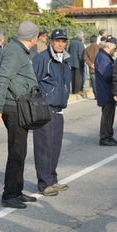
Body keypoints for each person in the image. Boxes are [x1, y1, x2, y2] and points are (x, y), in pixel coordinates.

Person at [0, 21, 40, 209]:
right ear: (33, 38)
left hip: (21, 106)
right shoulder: (14, 50)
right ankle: (9, 194)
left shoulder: (18, 49)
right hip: (13, 107)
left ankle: (17, 192)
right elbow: (2, 78)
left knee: (20, 151)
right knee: (16, 152)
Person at [31, 29, 71, 196]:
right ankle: (43, 184)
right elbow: (32, 82)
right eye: (57, 40)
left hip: (59, 109)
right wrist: (38, 104)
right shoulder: (42, 59)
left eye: (63, 41)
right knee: (43, 147)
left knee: (55, 146)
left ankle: (52, 180)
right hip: (45, 109)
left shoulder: (66, 59)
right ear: (51, 42)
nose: (60, 43)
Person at [95, 37, 117, 146]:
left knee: (110, 115)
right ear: (110, 46)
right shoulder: (102, 57)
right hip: (105, 91)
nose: (115, 51)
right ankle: (104, 138)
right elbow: (106, 75)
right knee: (107, 116)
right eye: (115, 48)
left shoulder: (106, 57)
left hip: (108, 91)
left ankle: (109, 136)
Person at [68, 31, 85, 96]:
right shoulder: (80, 44)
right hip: (78, 63)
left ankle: (74, 90)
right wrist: (82, 62)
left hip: (71, 62)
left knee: (73, 77)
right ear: (81, 37)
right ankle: (77, 90)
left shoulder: (72, 42)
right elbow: (80, 54)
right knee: (78, 77)